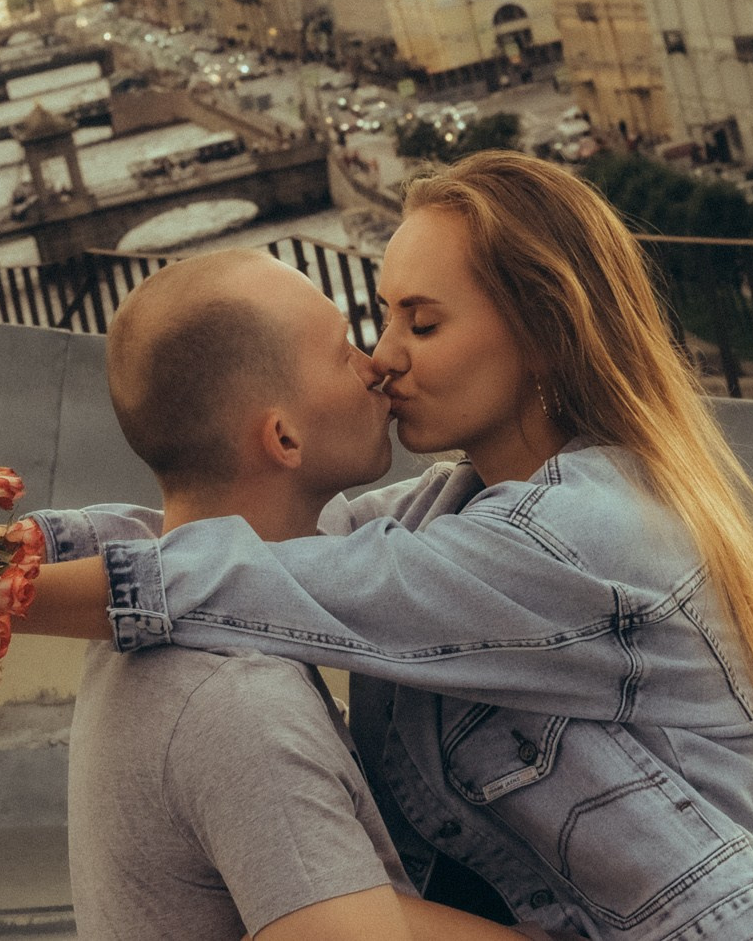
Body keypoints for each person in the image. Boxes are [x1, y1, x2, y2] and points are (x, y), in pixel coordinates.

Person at [16, 151, 753, 939]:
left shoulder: (574, 534)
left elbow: (247, 574)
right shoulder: (453, 510)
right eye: (380, 318)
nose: (381, 358)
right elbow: (263, 551)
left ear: (543, 333)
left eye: (423, 321)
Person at [68, 247, 514, 941]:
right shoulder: (234, 697)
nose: (376, 364)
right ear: (283, 436)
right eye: (342, 352)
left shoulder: (172, 625)